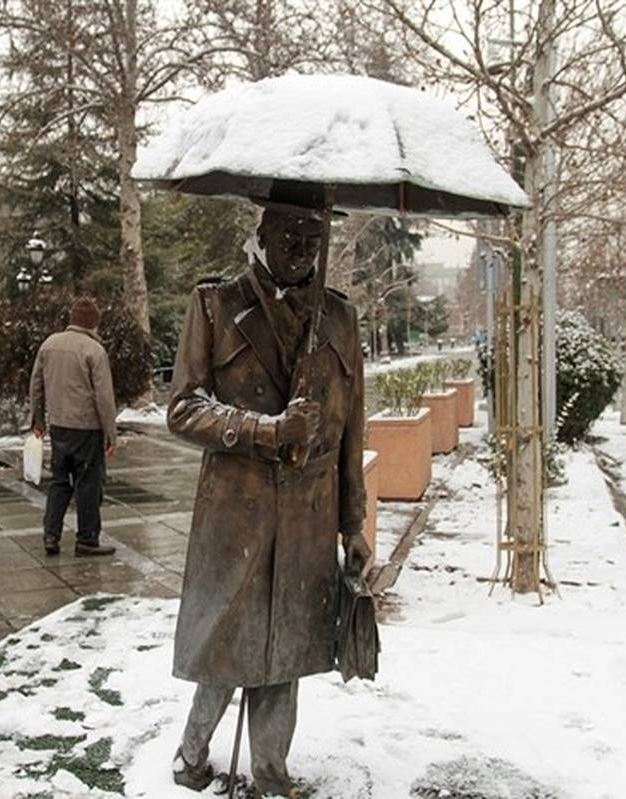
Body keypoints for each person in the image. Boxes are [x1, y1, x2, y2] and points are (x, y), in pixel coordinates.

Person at [166, 204, 372, 797]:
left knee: (287, 648)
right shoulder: (216, 305)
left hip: (307, 515)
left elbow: (352, 429)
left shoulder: (339, 318)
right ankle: (192, 752)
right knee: (225, 644)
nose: (302, 247)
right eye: (289, 234)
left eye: (314, 236)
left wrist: (352, 523)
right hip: (237, 511)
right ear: (261, 236)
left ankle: (271, 774)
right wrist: (266, 429)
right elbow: (182, 409)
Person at [30, 297, 118, 557]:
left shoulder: (49, 344)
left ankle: (51, 534)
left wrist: (38, 419)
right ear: (93, 323)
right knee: (88, 483)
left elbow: (36, 385)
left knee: (59, 481)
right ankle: (87, 539)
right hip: (87, 428)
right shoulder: (94, 351)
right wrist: (110, 433)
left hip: (59, 425)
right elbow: (104, 397)